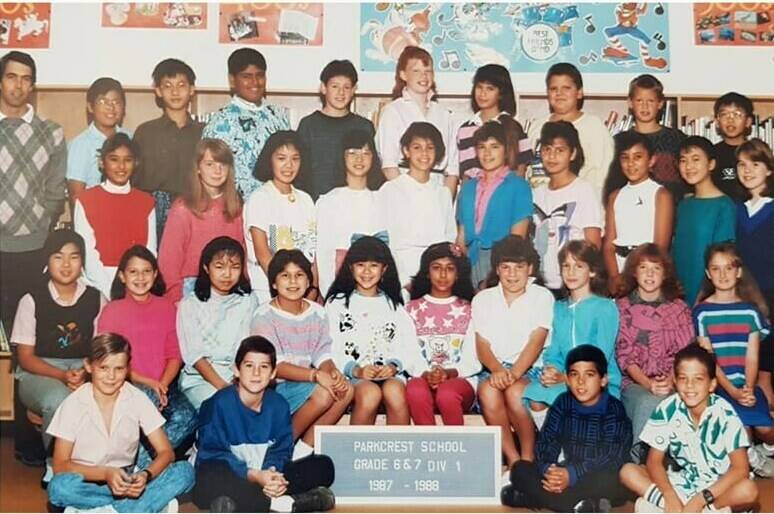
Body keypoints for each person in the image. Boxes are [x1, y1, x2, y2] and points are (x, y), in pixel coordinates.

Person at [46, 334, 194, 513]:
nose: (111, 376)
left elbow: (166, 452)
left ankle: (112, 508)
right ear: (88, 366)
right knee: (58, 487)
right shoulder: (73, 404)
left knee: (185, 472)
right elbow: (60, 465)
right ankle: (138, 506)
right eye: (103, 368)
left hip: (127, 478)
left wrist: (145, 475)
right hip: (88, 480)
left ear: (128, 369)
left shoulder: (136, 398)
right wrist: (106, 473)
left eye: (119, 369)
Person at [193, 336, 336, 513]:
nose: (256, 373)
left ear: (273, 373)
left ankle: (239, 503)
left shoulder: (279, 405)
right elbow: (212, 454)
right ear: (236, 370)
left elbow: (281, 450)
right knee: (210, 479)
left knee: (324, 466)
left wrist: (272, 476)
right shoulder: (217, 404)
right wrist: (254, 475)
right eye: (249, 366)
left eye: (264, 367)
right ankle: (287, 504)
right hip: (232, 473)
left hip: (262, 475)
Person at [619, 344, 758, 513]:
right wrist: (670, 495)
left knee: (748, 490)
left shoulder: (724, 412)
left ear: (712, 384)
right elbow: (654, 461)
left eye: (698, 379)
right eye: (683, 378)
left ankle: (703, 509)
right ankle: (675, 508)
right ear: (675, 382)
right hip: (686, 482)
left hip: (719, 488)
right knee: (628, 471)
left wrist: (700, 500)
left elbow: (740, 468)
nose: (690, 386)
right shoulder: (667, 408)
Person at [11, 230, 104, 468]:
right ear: (47, 260)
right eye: (58, 256)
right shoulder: (32, 299)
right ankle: (56, 466)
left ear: (82, 261)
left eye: (73, 257)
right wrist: (61, 376)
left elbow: (101, 349)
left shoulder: (96, 298)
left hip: (83, 369)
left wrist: (85, 372)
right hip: (39, 372)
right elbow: (26, 357)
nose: (66, 264)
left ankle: (90, 465)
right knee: (59, 399)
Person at [98, 245, 196, 469]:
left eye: (146, 271)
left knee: (187, 416)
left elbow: (175, 354)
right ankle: (130, 468)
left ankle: (138, 468)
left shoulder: (167, 308)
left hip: (164, 384)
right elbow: (109, 359)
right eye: (133, 272)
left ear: (155, 275)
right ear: (122, 276)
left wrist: (162, 383)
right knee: (147, 402)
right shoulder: (113, 311)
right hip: (126, 384)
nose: (140, 277)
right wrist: (149, 383)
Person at [502, 345, 632, 512]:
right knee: (520, 469)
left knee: (611, 481)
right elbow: (546, 442)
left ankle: (533, 499)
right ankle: (578, 504)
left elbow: (611, 456)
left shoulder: (614, 409)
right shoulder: (563, 402)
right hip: (567, 469)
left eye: (589, 375)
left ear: (603, 380)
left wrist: (571, 474)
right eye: (574, 375)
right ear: (567, 380)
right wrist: (549, 470)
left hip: (597, 473)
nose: (581, 382)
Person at [251, 250, 353, 450]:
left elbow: (322, 352)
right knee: (323, 394)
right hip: (274, 389)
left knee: (346, 389)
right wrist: (316, 376)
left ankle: (302, 452)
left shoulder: (317, 312)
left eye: (299, 275)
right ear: (273, 283)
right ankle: (280, 450)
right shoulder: (263, 316)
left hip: (305, 383)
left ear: (308, 281)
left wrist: (332, 371)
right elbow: (273, 367)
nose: (292, 282)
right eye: (285, 276)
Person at [693, 242, 774, 477]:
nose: (723, 274)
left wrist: (747, 388)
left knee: (765, 428)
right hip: (717, 387)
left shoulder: (750, 312)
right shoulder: (702, 312)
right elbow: (709, 360)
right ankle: (746, 463)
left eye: (729, 268)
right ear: (708, 274)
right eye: (716, 269)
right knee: (740, 429)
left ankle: (761, 451)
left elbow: (752, 357)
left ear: (738, 272)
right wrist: (732, 391)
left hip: (745, 384)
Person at [0, 51, 66, 335]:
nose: (18, 85)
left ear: (33, 86)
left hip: (34, 248)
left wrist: (41, 224)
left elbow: (55, 189)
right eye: (11, 77)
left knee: (26, 331)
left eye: (26, 79)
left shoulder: (51, 132)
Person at [473, 236, 554, 465]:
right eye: (506, 267)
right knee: (488, 392)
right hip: (495, 369)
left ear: (530, 268)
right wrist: (498, 370)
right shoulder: (483, 299)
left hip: (530, 369)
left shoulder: (541, 296)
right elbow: (482, 344)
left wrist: (515, 374)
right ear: (497, 269)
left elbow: (536, 341)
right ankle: (513, 460)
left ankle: (528, 458)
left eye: (519, 267)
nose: (512, 274)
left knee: (515, 393)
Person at [325, 236, 414, 425]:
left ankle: (398, 451)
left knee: (395, 392)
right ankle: (355, 453)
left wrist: (393, 366)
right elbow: (330, 347)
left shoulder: (395, 305)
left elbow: (409, 346)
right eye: (360, 265)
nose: (366, 271)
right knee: (370, 394)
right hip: (353, 375)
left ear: (384, 269)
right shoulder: (337, 304)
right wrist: (356, 370)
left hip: (389, 374)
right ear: (350, 268)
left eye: (374, 265)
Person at [614, 244, 694, 455]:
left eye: (656, 268)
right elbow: (625, 356)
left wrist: (669, 381)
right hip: (635, 382)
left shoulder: (679, 309)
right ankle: (638, 460)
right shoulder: (621, 307)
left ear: (665, 273)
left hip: (674, 380)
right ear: (634, 271)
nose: (649, 274)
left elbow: (685, 353)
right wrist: (649, 384)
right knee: (649, 402)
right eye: (643, 267)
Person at [523, 241, 621, 409]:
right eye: (566, 266)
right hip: (565, 378)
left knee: (566, 401)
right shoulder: (559, 308)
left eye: (579, 266)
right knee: (535, 399)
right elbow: (554, 351)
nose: (571, 272)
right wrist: (553, 370)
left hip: (597, 380)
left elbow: (601, 355)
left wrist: (567, 377)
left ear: (592, 271)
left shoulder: (605, 307)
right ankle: (549, 435)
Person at [158, 138, 244, 303]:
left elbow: (242, 252)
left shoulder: (236, 207)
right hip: (191, 286)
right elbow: (169, 260)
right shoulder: (183, 208)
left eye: (223, 164)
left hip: (229, 284)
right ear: (198, 168)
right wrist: (175, 298)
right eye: (210, 164)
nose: (217, 171)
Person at [73, 133, 156, 298]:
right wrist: (110, 291)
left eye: (128, 160)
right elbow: (88, 253)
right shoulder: (86, 200)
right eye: (114, 159)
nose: (121, 166)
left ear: (136, 163)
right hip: (98, 286)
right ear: (101, 163)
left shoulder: (146, 201)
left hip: (136, 284)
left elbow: (150, 251)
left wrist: (134, 285)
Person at [177, 236, 257, 410]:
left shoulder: (247, 301)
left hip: (237, 376)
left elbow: (244, 345)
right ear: (206, 268)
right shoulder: (190, 304)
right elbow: (194, 355)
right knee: (226, 407)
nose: (227, 274)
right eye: (219, 267)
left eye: (235, 267)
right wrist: (223, 387)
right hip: (200, 379)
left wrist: (238, 382)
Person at [404, 243, 480, 425]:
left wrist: (449, 373)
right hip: (423, 378)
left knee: (447, 394)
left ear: (458, 274)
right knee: (414, 389)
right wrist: (426, 374)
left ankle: (457, 448)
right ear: (427, 272)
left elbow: (474, 358)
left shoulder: (470, 309)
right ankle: (429, 449)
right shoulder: (410, 309)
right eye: (436, 268)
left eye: (450, 269)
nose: (443, 275)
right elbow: (408, 354)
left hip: (460, 382)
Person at [203, 48, 290, 198]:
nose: (255, 82)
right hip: (234, 210)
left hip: (275, 208)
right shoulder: (218, 122)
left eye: (260, 75)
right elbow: (208, 173)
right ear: (232, 80)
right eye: (246, 76)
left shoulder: (279, 117)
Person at [379, 122, 456, 289]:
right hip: (400, 272)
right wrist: (402, 279)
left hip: (436, 275)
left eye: (430, 148)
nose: (424, 153)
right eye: (417, 147)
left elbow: (449, 239)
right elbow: (384, 239)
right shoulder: (391, 189)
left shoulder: (442, 193)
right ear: (406, 151)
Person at [133, 58, 204, 239]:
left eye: (181, 85)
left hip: (193, 207)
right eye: (167, 86)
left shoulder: (204, 132)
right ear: (157, 91)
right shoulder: (145, 132)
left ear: (192, 90)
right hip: (153, 209)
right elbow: (134, 179)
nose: (175, 92)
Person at [456, 121, 533, 288]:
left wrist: (495, 276)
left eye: (494, 147)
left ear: (506, 150)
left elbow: (517, 240)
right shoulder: (468, 188)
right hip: (469, 262)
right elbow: (461, 238)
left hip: (502, 265)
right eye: (482, 147)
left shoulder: (518, 186)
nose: (487, 153)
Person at [244, 130, 317, 303]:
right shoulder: (260, 198)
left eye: (295, 158)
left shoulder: (306, 199)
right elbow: (262, 254)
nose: (289, 165)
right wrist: (287, 289)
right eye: (281, 158)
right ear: (270, 160)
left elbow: (313, 251)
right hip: (268, 291)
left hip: (303, 293)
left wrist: (312, 288)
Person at [376, 46, 459, 197]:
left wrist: (445, 200)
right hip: (403, 192)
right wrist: (411, 198)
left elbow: (452, 167)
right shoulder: (393, 111)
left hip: (437, 190)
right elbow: (388, 165)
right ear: (403, 75)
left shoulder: (444, 114)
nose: (423, 76)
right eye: (416, 71)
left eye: (428, 71)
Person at [532, 121, 603, 294]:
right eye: (547, 149)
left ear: (573, 154)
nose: (552, 156)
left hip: (572, 284)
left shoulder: (583, 190)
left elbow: (593, 243)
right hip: (541, 283)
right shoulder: (536, 193)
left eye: (560, 150)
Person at [315, 129, 386, 297]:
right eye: (352, 153)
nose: (359, 159)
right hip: (338, 284)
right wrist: (329, 293)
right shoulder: (327, 201)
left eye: (366, 153)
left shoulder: (382, 199)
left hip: (375, 285)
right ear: (342, 157)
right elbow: (323, 253)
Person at [526, 62, 614, 196]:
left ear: (579, 93)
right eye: (553, 88)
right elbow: (528, 170)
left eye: (566, 88)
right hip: (540, 204)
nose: (559, 93)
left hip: (580, 205)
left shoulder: (593, 127)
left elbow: (605, 174)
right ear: (547, 93)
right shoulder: (537, 126)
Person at [602, 131, 673, 295]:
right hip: (619, 267)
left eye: (638, 157)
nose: (631, 163)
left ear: (651, 160)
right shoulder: (615, 196)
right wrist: (614, 276)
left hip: (647, 272)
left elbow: (660, 247)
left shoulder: (660, 194)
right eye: (625, 157)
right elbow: (608, 244)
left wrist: (634, 276)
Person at [296, 59, 376, 201]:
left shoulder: (364, 126)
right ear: (323, 88)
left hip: (355, 204)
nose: (341, 93)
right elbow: (300, 172)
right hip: (316, 204)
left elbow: (373, 171)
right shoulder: (309, 125)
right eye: (335, 86)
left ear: (353, 90)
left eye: (346, 87)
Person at [672, 136, 735, 306]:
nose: (688, 166)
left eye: (696, 159)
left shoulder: (724, 206)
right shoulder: (684, 204)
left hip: (708, 293)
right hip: (678, 292)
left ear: (711, 164)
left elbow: (722, 258)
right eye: (683, 160)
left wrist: (703, 296)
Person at [736, 138, 774, 410]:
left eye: (755, 164)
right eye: (741, 165)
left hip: (771, 298)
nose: (747, 171)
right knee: (744, 377)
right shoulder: (738, 209)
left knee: (765, 376)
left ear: (769, 170)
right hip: (743, 299)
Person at [612, 74, 687, 200]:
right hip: (633, 207)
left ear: (660, 104)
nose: (645, 106)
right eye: (639, 100)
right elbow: (614, 183)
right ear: (630, 103)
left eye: (650, 101)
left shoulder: (677, 138)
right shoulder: (620, 141)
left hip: (672, 210)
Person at [456, 64, 532, 178]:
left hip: (505, 192)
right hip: (475, 193)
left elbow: (520, 170)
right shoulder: (465, 130)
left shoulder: (513, 127)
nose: (482, 93)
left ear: (501, 93)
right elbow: (466, 172)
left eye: (490, 88)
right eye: (479, 87)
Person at [66, 77, 129, 199]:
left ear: (124, 107)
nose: (110, 107)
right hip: (95, 213)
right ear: (90, 107)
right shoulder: (80, 145)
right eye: (102, 102)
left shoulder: (130, 138)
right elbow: (76, 195)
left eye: (116, 102)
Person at [713, 92, 754, 202]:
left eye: (737, 114)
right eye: (724, 114)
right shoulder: (710, 154)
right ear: (717, 122)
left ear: (748, 122)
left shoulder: (757, 153)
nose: (730, 120)